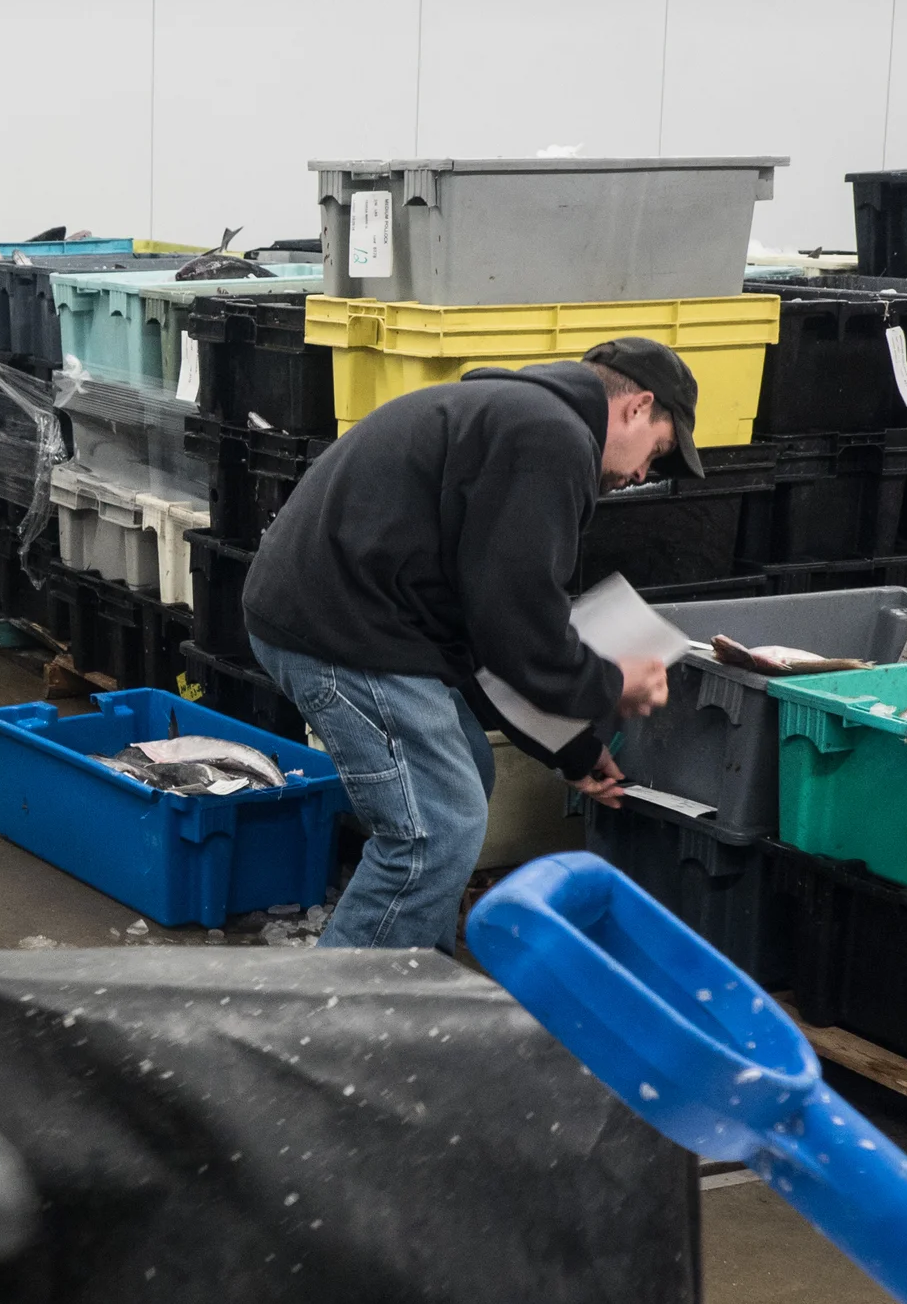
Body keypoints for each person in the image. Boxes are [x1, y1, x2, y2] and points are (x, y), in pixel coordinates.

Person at [238, 339, 692, 953]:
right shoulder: (551, 438)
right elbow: (518, 624)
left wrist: (576, 752)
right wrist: (613, 683)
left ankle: (419, 977)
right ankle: (332, 1025)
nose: (642, 475)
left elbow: (490, 637)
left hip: (352, 614)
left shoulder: (519, 417)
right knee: (434, 831)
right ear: (638, 407)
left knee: (467, 772)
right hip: (343, 627)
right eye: (657, 452)